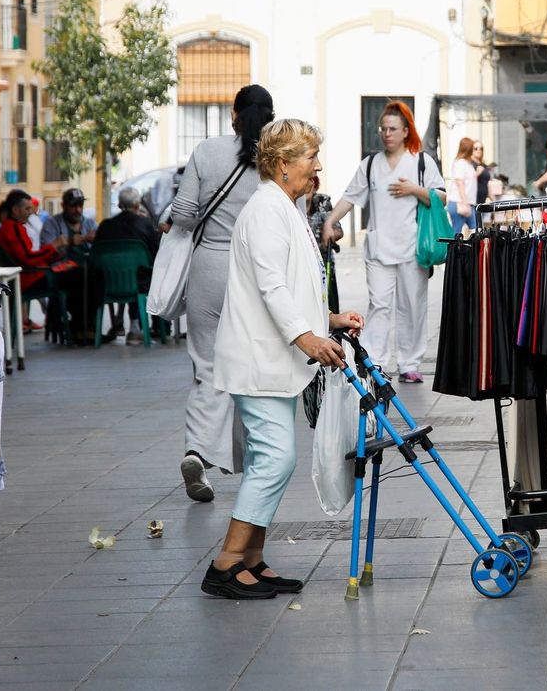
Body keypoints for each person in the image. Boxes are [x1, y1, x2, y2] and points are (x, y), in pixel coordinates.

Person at [201, 119, 365, 600]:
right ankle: (226, 562)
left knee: (266, 459)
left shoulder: (282, 206)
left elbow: (292, 284)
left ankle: (251, 559)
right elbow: (272, 287)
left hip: (269, 358)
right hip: (258, 358)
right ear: (280, 164)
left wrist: (328, 320)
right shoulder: (266, 210)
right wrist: (306, 338)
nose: (317, 166)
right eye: (309, 157)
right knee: (276, 458)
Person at [167, 84, 274, 502]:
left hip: (208, 268)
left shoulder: (207, 151)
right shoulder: (275, 158)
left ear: (234, 115)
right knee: (249, 366)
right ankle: (254, 461)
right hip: (253, 270)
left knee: (207, 367)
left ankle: (198, 450)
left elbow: (182, 214)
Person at [321, 100, 445, 384]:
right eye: (383, 128)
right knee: (379, 304)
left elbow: (442, 196)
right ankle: (375, 359)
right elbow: (350, 197)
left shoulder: (422, 162)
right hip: (379, 249)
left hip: (413, 248)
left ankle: (409, 362)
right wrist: (330, 221)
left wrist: (414, 189)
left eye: (392, 128)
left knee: (412, 305)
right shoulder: (370, 165)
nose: (386, 133)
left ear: (405, 131)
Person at [0, 188, 87, 338]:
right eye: (27, 208)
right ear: (15, 210)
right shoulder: (12, 228)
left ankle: (69, 324)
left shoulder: (13, 227)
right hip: (29, 278)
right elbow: (27, 258)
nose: (31, 212)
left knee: (78, 274)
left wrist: (51, 254)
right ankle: (76, 326)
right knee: (80, 276)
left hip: (31, 274)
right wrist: (53, 246)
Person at [97, 185, 163, 340]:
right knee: (152, 274)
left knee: (131, 272)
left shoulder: (105, 226)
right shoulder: (145, 224)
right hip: (139, 283)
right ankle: (159, 329)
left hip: (107, 284)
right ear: (137, 205)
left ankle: (120, 324)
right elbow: (156, 255)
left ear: (120, 206)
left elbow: (95, 256)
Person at [447, 137, 479, 234]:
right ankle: (454, 249)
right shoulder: (460, 164)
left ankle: (471, 249)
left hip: (467, 203)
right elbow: (460, 184)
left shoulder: (467, 164)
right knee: (457, 232)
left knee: (475, 231)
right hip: (460, 203)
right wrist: (465, 204)